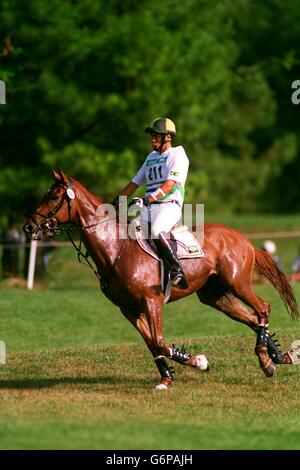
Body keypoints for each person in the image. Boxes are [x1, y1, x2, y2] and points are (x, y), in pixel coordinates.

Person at [112, 117, 189, 289]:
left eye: (157, 135)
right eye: (152, 136)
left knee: (156, 230)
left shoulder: (178, 154)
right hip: (149, 208)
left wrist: (148, 199)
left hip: (169, 206)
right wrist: (116, 201)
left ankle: (177, 270)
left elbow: (170, 185)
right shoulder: (151, 157)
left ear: (168, 137)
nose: (153, 139)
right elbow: (134, 183)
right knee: (128, 232)